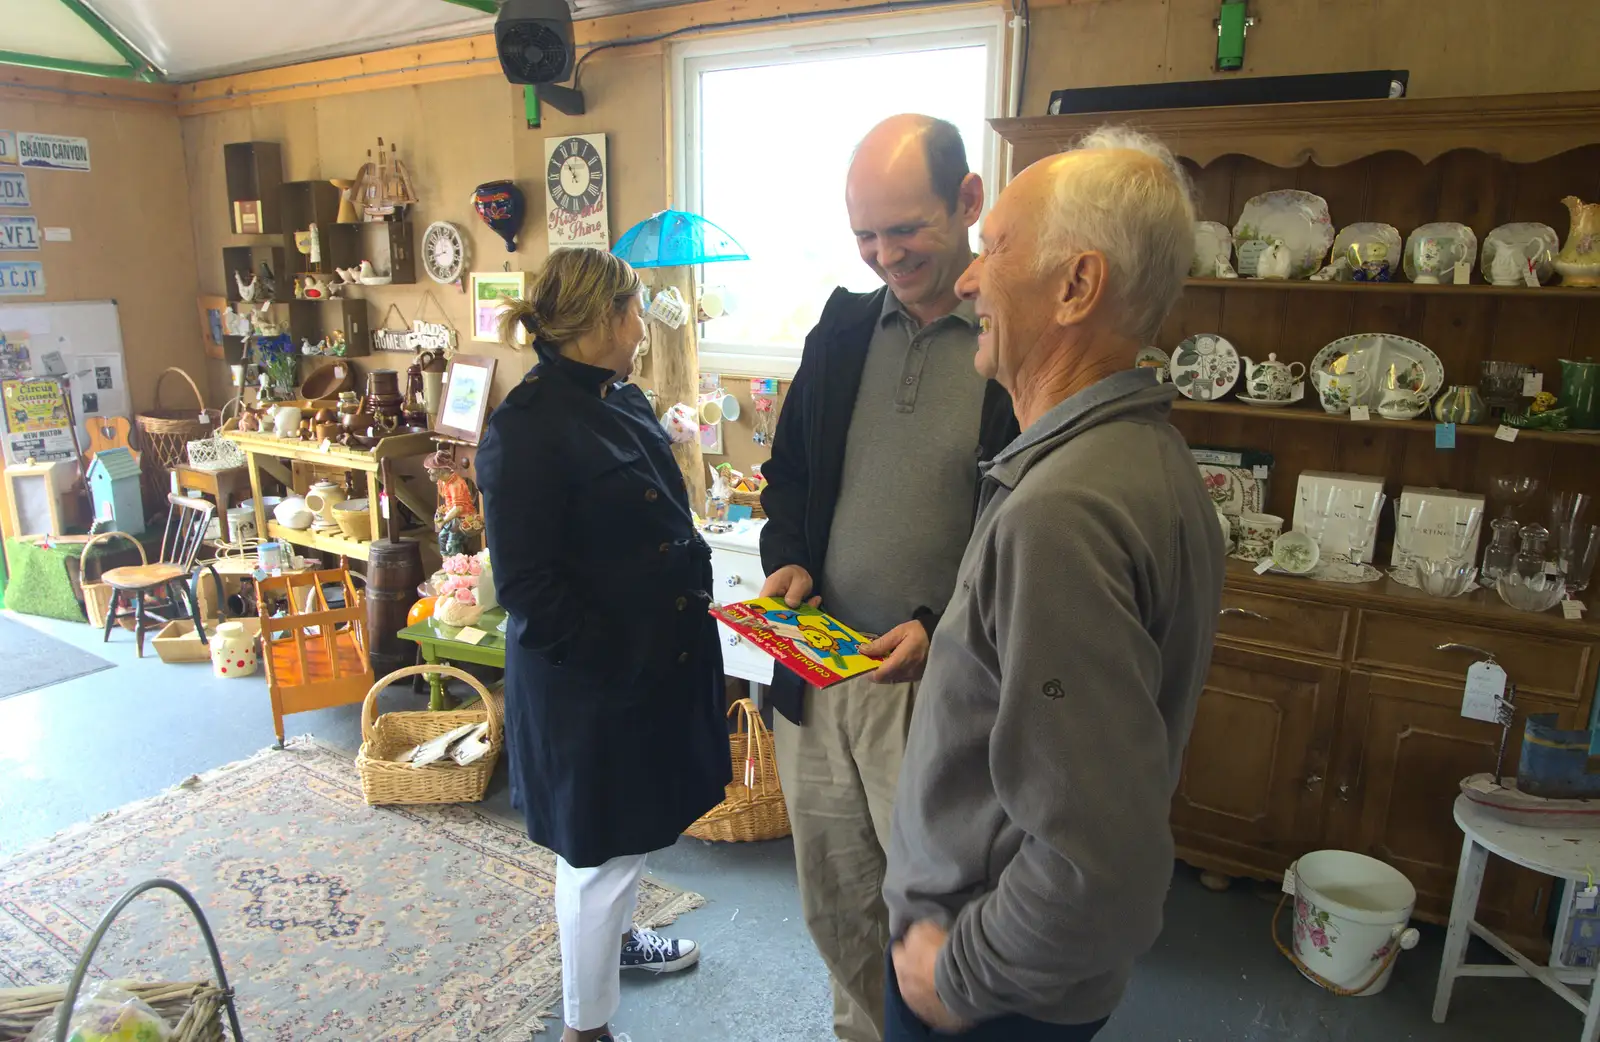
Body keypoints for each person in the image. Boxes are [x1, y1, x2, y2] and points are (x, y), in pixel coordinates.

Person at [881, 128, 1227, 1041]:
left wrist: (958, 974)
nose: (965, 278)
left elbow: (1100, 858)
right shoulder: (1145, 457)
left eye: (992, 249)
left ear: (1076, 287)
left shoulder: (1061, 514)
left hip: (989, 990)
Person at [758, 114, 1019, 1042]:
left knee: (935, 918)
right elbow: (785, 477)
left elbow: (1017, 533)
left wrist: (940, 622)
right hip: (819, 675)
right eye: (865, 234)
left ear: (970, 201)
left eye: (905, 229)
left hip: (935, 690)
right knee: (836, 904)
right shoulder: (838, 331)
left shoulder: (1013, 349)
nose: (884, 254)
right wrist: (785, 554)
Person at [476, 247, 731, 1042]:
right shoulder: (524, 431)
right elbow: (529, 590)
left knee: (630, 830)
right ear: (600, 318)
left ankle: (620, 945)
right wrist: (619, 665)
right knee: (596, 860)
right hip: (590, 680)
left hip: (646, 663)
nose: (641, 332)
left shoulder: (616, 400)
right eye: (633, 313)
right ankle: (586, 1030)